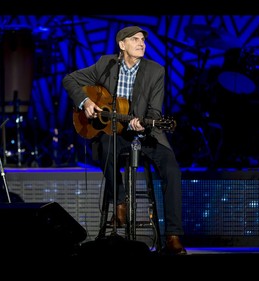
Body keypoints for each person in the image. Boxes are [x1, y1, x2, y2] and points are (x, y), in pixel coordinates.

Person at [62, 26, 187, 255]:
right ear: (122, 45)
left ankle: (173, 236)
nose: (142, 43)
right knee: (102, 148)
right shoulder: (106, 64)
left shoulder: (155, 71)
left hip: (146, 134)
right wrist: (86, 103)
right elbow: (70, 79)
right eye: (135, 39)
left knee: (172, 170)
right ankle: (119, 202)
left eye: (143, 40)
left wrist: (145, 122)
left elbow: (156, 113)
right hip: (115, 133)